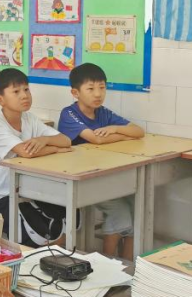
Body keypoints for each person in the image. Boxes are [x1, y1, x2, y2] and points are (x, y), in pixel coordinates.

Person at [0, 69, 73, 245]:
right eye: (16, 92)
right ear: (0, 100)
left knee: (62, 217)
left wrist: (45, 140)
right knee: (38, 238)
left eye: (26, 89)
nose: (24, 96)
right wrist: (55, 149)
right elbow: (25, 152)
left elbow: (66, 141)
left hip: (22, 191)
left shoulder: (29, 118)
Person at [57, 63, 145, 258]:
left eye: (102, 87)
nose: (98, 94)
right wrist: (124, 136)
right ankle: (107, 260)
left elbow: (139, 131)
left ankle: (128, 263)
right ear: (75, 92)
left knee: (137, 206)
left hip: (102, 174)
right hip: (78, 179)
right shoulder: (69, 113)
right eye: (90, 89)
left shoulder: (103, 112)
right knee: (120, 209)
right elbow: (96, 139)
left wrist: (115, 129)